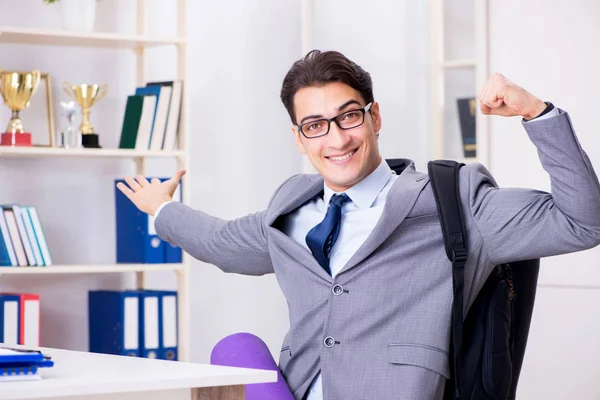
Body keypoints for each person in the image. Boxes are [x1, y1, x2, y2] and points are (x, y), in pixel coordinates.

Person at [116, 50, 600, 400]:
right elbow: (223, 243)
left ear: (375, 117)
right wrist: (162, 209)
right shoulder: (290, 209)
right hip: (302, 391)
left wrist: (536, 113)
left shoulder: (456, 202)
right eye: (315, 125)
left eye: (348, 116)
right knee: (235, 349)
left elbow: (582, 222)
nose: (336, 139)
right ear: (299, 138)